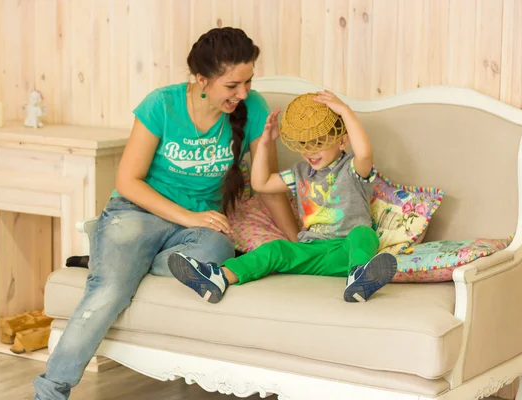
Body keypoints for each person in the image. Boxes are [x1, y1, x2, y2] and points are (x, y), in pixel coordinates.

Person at [33, 27, 298, 400]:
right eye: (232, 85)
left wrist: (297, 240)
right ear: (201, 79)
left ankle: (117, 258)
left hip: (196, 229)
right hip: (138, 212)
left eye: (248, 82)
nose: (242, 93)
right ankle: (50, 391)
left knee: (218, 253)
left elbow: (265, 184)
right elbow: (128, 180)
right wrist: (187, 216)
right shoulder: (162, 104)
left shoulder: (251, 107)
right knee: (110, 290)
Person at [168, 91, 397, 304]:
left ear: (342, 141)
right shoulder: (300, 173)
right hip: (311, 250)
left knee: (364, 234)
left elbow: (365, 152)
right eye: (304, 145)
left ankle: (359, 276)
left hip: (345, 251)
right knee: (276, 249)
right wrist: (265, 143)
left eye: (318, 143)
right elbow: (261, 183)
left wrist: (346, 112)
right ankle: (218, 277)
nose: (310, 152)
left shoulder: (352, 168)